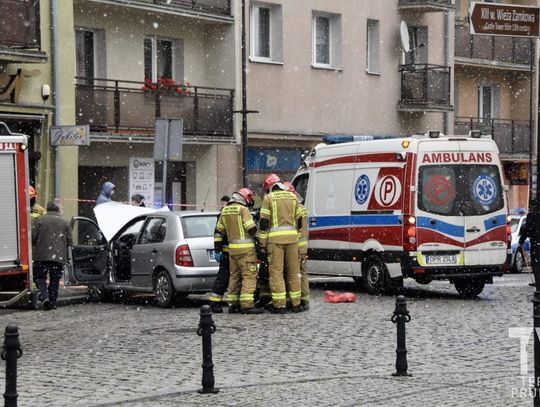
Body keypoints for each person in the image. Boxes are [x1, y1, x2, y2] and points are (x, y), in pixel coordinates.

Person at [258, 174, 304, 313]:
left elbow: (264, 223)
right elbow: (300, 219)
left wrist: (262, 244)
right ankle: (296, 304)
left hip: (275, 241)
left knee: (277, 273)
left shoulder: (269, 198)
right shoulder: (292, 196)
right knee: (293, 271)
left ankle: (279, 305)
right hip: (292, 240)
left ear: (270, 187)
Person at [215, 189, 263, 314]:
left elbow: (220, 230)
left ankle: (233, 304)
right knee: (249, 276)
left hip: (232, 251)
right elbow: (251, 228)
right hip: (246, 250)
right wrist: (257, 229)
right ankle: (247, 306)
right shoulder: (243, 209)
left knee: (234, 277)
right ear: (245, 198)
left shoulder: (225, 210)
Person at [32, 201, 73, 310]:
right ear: (58, 210)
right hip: (58, 258)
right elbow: (70, 241)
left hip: (41, 256)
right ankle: (52, 302)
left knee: (40, 277)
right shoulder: (65, 223)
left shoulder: (39, 220)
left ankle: (44, 297)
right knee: (55, 280)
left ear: (47, 209)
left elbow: (33, 237)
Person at [284, 181, 310, 311]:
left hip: (295, 245)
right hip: (302, 245)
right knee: (301, 273)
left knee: (294, 273)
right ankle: (304, 299)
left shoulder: (295, 208)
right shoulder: (301, 207)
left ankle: (296, 300)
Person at [209, 195, 231, 313]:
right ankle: (215, 302)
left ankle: (217, 302)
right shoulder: (223, 215)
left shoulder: (226, 214)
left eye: (224, 204)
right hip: (228, 252)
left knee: (227, 278)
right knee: (223, 278)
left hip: (232, 251)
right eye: (221, 204)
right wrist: (218, 250)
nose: (222, 206)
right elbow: (218, 234)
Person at [520, 201, 537, 286]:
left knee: (535, 262)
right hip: (535, 241)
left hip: (536, 242)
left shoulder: (531, 216)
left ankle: (538, 281)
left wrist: (521, 240)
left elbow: (527, 229)